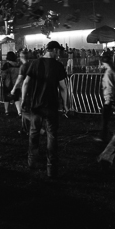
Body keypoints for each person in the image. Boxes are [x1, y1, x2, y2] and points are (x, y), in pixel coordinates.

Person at [21, 40, 69, 177]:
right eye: (58, 51)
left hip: (36, 105)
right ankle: (51, 168)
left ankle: (32, 161)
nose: (59, 53)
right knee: (52, 135)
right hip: (51, 105)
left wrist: (24, 100)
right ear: (53, 50)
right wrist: (65, 104)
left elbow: (26, 83)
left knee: (34, 133)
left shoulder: (34, 63)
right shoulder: (58, 65)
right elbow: (63, 87)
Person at [99, 50, 115, 143]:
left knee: (105, 119)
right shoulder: (113, 71)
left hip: (110, 99)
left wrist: (108, 99)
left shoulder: (108, 73)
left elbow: (110, 87)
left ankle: (104, 137)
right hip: (114, 98)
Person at [0, 51, 16, 116]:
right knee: (17, 98)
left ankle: (6, 111)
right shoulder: (18, 64)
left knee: (6, 97)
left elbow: (3, 74)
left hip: (8, 83)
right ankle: (19, 111)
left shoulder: (6, 65)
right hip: (17, 83)